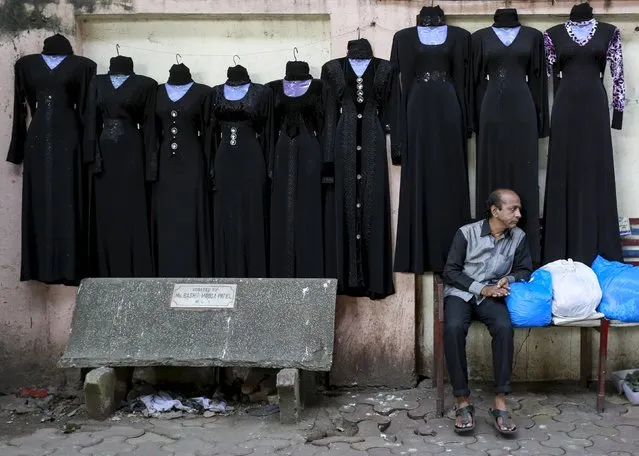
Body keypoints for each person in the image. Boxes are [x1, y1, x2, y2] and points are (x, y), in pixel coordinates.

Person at [442, 189, 532, 435]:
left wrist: (508, 279)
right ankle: (462, 401)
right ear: (495, 211)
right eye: (513, 209)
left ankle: (500, 401)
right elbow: (450, 272)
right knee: (452, 328)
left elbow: (525, 270)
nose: (519, 214)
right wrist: (483, 288)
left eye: (519, 209)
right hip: (462, 293)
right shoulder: (466, 233)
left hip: (492, 295)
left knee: (504, 328)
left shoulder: (518, 237)